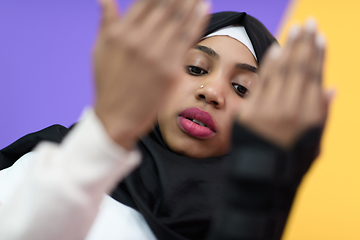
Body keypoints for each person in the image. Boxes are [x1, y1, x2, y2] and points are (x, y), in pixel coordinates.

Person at [0, 0, 333, 239]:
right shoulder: (54, 162)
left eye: (242, 89)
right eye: (196, 68)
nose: (212, 91)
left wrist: (260, 195)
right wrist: (104, 135)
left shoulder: (251, 218)